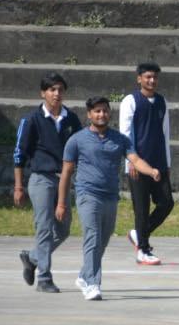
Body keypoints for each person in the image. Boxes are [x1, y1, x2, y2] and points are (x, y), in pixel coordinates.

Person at [55, 97, 160, 301]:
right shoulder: (76, 140)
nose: (101, 115)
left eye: (104, 111)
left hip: (110, 197)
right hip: (87, 195)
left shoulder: (120, 139)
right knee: (92, 238)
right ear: (89, 114)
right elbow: (66, 173)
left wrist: (151, 171)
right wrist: (61, 203)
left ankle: (84, 276)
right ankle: (93, 284)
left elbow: (135, 159)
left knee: (103, 239)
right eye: (97, 111)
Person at [12, 72, 82, 293]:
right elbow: (19, 154)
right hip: (41, 179)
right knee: (44, 227)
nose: (56, 93)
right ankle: (44, 277)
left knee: (63, 230)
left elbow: (81, 146)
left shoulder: (71, 119)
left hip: (64, 180)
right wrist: (19, 186)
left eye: (60, 89)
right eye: (52, 89)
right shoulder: (31, 120)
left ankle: (32, 258)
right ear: (43, 93)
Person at [121, 62, 173, 265]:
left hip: (159, 162)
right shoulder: (130, 101)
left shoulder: (162, 102)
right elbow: (125, 133)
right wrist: (130, 161)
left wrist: (167, 163)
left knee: (167, 203)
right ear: (139, 78)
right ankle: (143, 249)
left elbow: (165, 133)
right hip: (138, 163)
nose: (152, 81)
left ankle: (138, 234)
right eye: (148, 77)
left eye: (155, 77)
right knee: (141, 209)